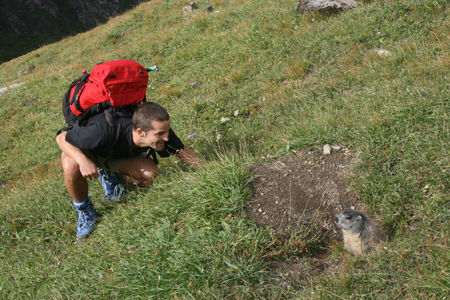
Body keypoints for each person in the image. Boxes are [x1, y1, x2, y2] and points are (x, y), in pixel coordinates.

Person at [56, 102, 200, 241]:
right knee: (71, 165)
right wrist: (82, 160)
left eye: (167, 131)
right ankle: (85, 210)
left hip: (112, 155)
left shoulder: (158, 128)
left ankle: (110, 174)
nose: (166, 137)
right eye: (160, 134)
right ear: (140, 132)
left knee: (150, 175)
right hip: (88, 152)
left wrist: (207, 170)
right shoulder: (102, 129)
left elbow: (182, 152)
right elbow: (62, 138)